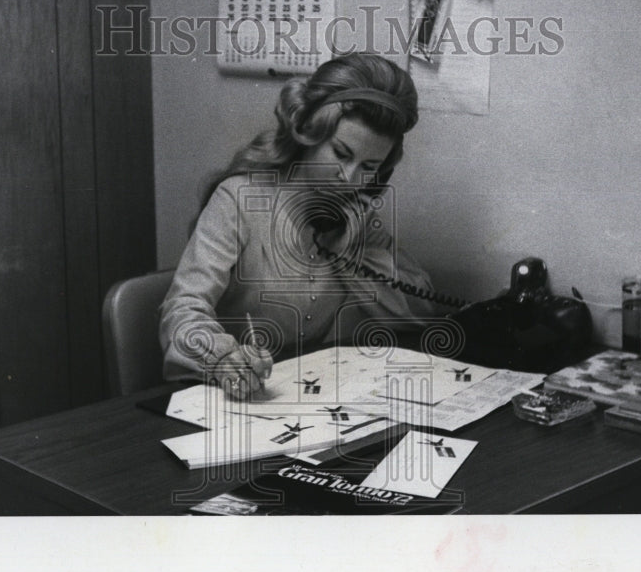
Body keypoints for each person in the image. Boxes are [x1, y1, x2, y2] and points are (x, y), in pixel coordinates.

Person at [159, 52, 441, 398]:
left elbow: (421, 312)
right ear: (310, 134)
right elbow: (182, 308)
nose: (350, 179)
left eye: (369, 166)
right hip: (224, 399)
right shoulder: (238, 200)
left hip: (304, 400)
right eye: (340, 153)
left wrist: (349, 250)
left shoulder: (356, 216)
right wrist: (222, 358)